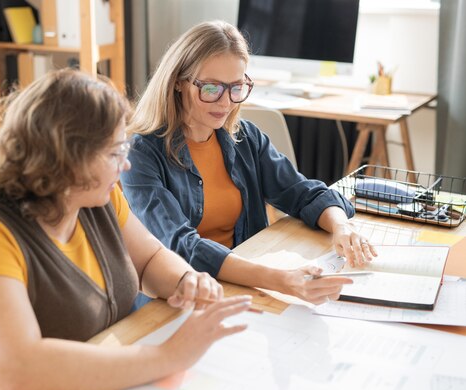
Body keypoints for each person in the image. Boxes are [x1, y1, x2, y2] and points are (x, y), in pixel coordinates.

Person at [0, 69, 252, 390]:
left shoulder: (96, 199)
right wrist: (166, 357)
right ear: (69, 156)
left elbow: (148, 260)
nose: (126, 163)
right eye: (115, 152)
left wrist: (184, 279)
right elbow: (18, 371)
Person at [120, 21, 377, 306]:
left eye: (236, 87)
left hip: (247, 284)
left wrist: (341, 226)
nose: (226, 102)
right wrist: (281, 279)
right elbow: (180, 246)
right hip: (181, 298)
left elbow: (303, 193)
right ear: (179, 81)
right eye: (211, 88)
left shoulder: (245, 138)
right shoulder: (140, 154)